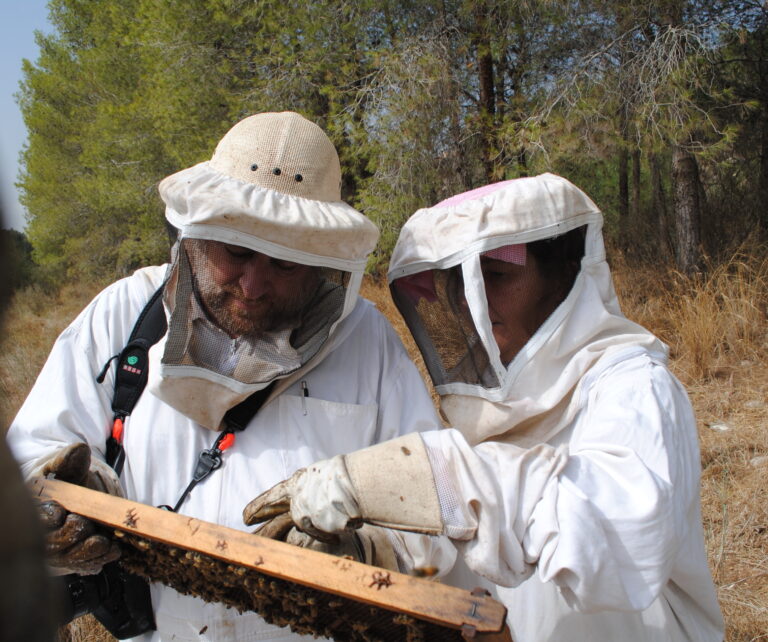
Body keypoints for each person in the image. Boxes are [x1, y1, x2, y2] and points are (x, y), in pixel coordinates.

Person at [6, 111, 443, 641]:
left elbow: (429, 504)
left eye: (285, 264)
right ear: (197, 233)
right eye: (236, 251)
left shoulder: (368, 344)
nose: (254, 285)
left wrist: (370, 550)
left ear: (322, 260)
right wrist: (61, 499)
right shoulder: (122, 316)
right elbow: (37, 450)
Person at [245, 173, 725, 641]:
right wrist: (381, 547)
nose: (471, 303)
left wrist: (434, 477)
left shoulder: (633, 385)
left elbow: (616, 536)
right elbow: (472, 535)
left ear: (562, 275)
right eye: (457, 285)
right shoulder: (490, 400)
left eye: (494, 276)